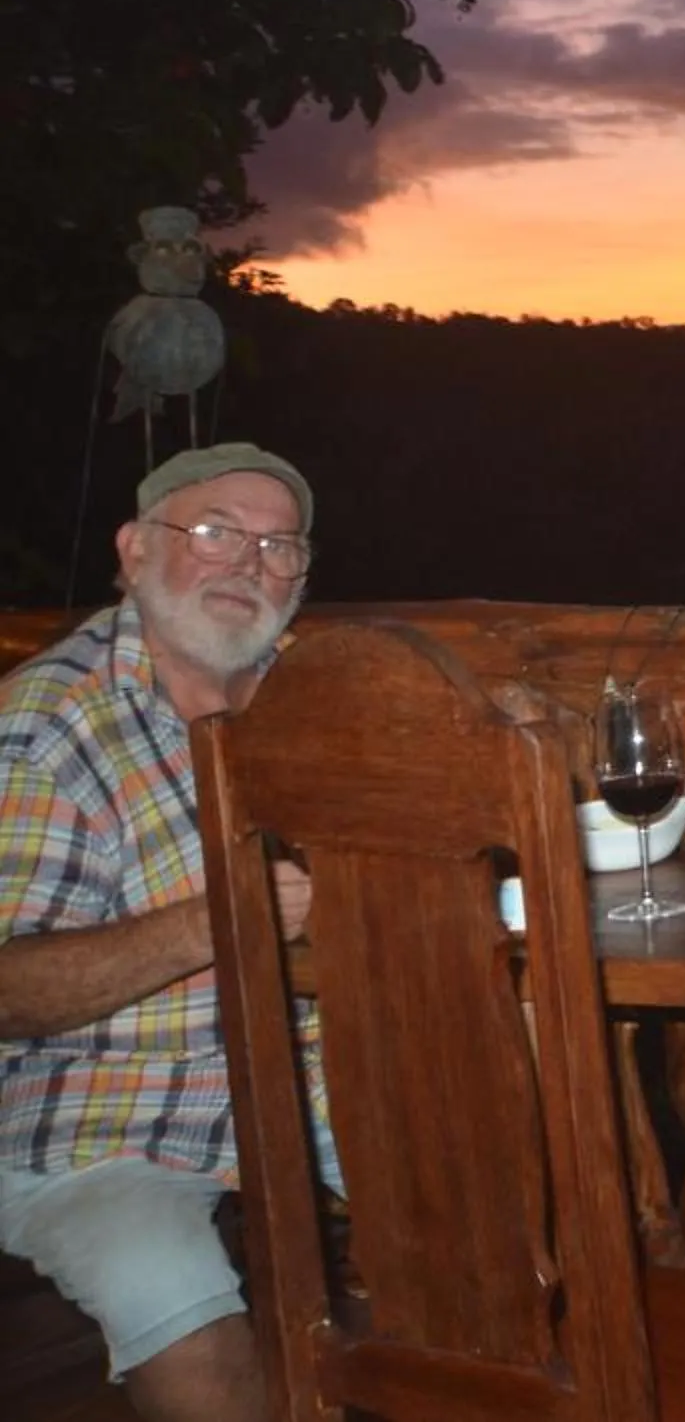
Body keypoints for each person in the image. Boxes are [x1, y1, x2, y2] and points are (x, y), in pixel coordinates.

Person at [0, 444, 325, 1422]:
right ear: (136, 549)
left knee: (479, 1189)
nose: (250, 563)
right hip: (92, 1108)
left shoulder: (314, 699)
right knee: (166, 1282)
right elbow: (10, 990)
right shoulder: (45, 727)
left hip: (305, 1068)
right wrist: (218, 917)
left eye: (278, 546)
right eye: (217, 531)